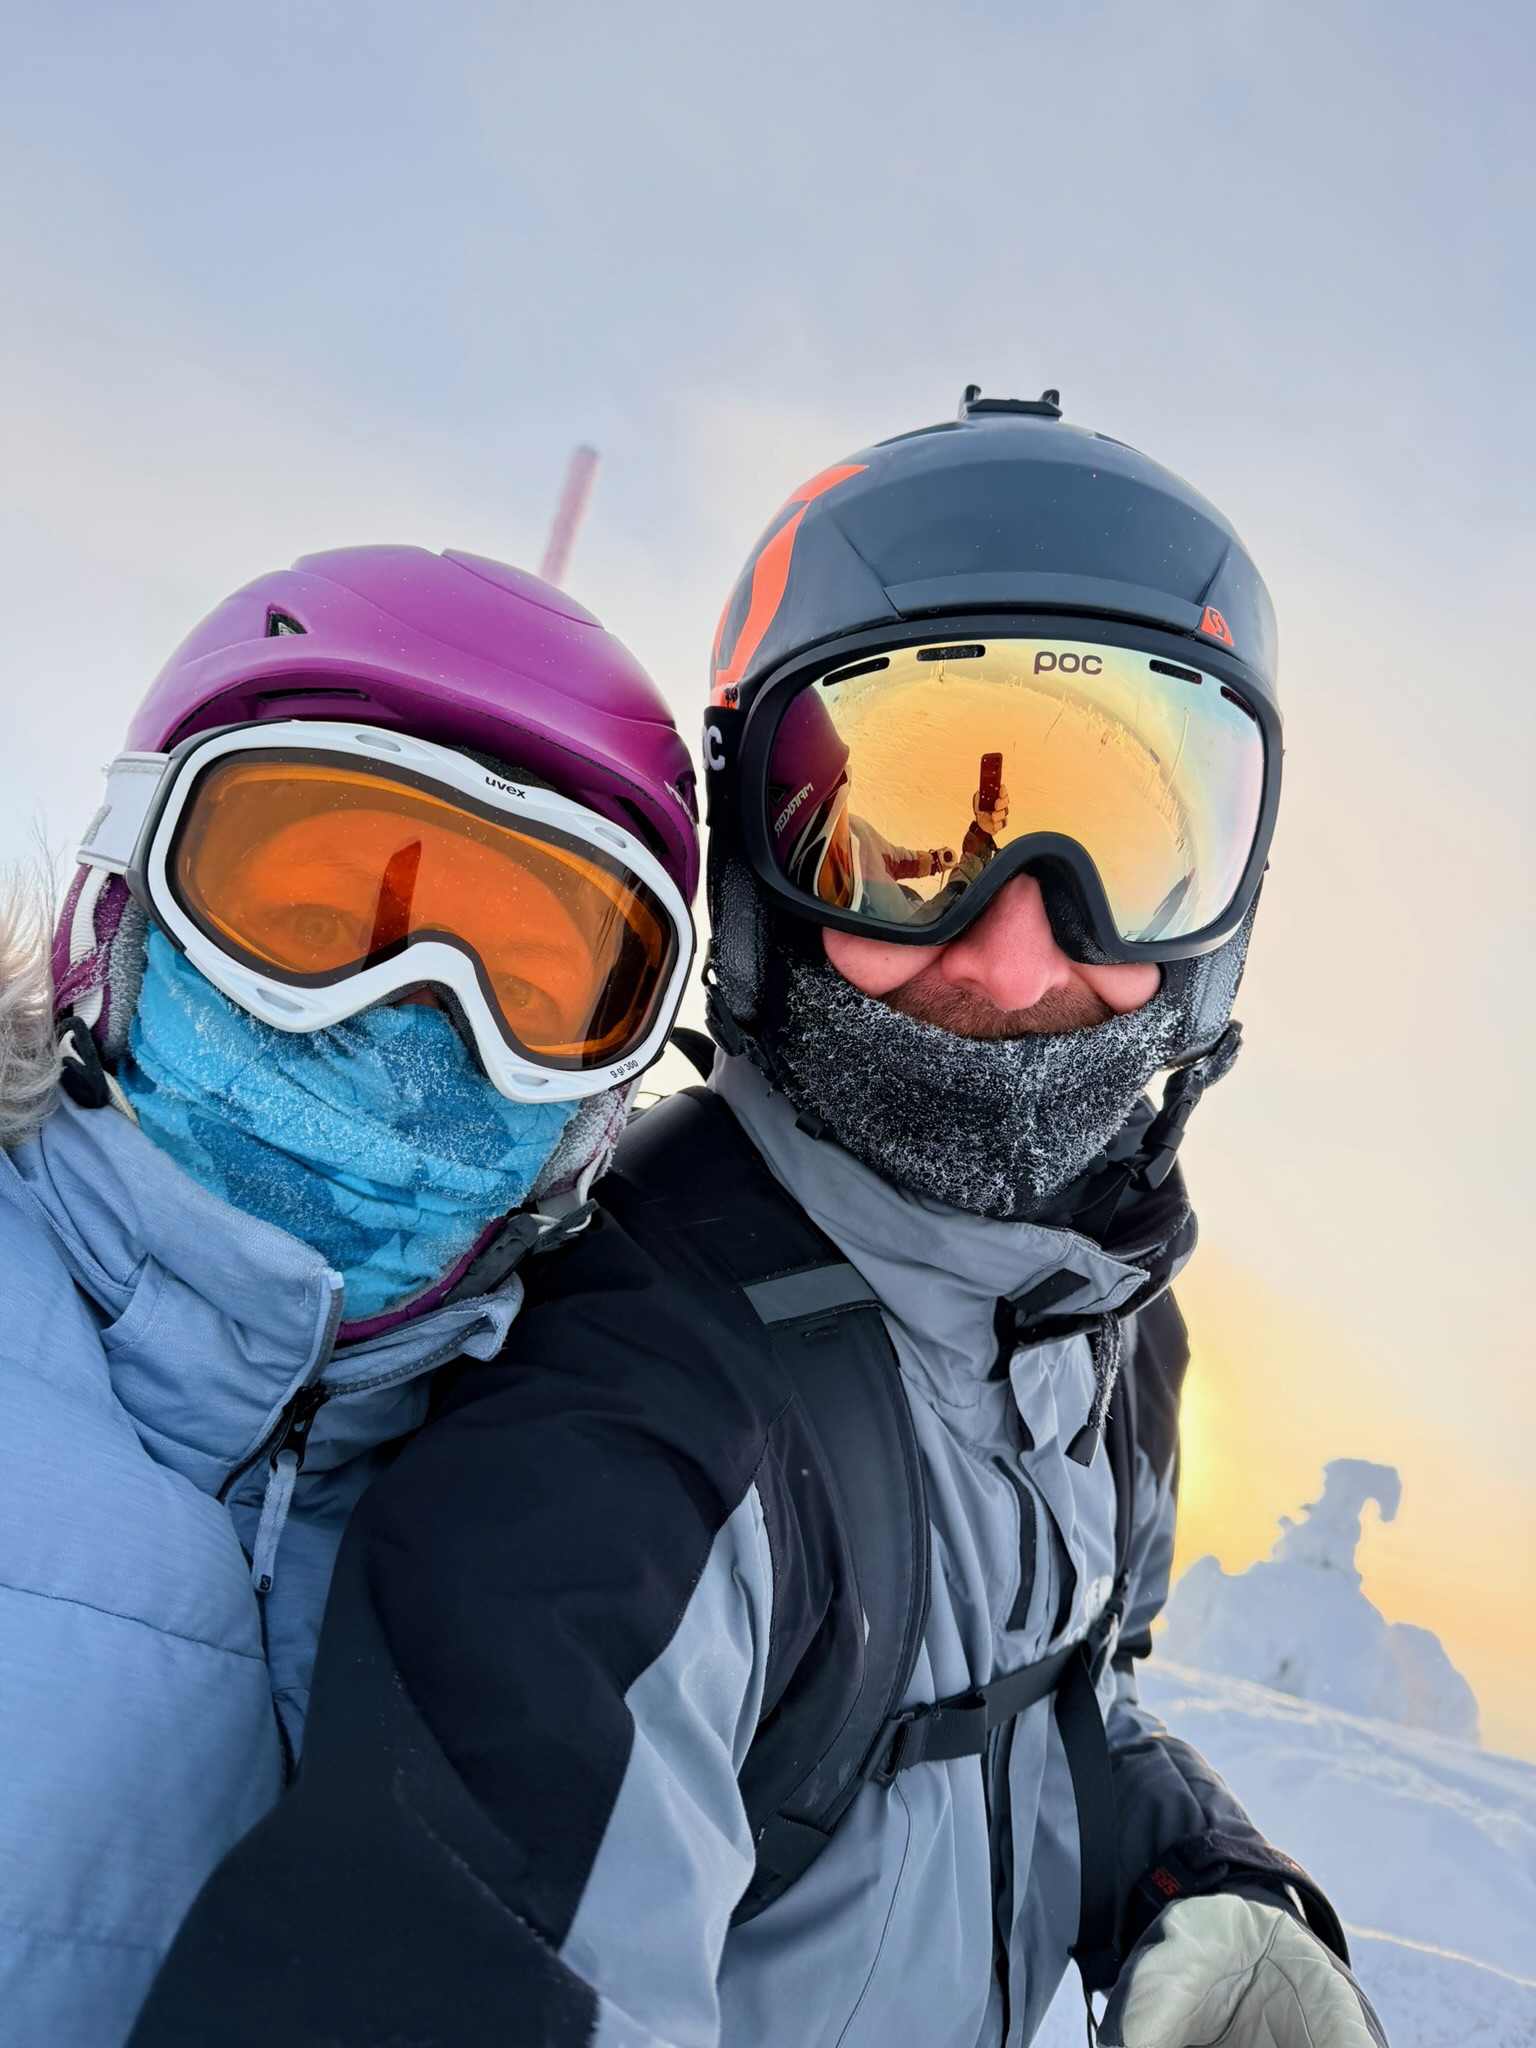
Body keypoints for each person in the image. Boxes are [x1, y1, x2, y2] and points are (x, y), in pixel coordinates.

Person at [129, 398, 1387, 2048]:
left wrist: (1201, 1880)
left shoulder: (1116, 1328)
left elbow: (1068, 1696)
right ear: (762, 878)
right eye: (911, 850)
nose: (1018, 960)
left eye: (1132, 855)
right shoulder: (637, 1409)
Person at [0, 545, 698, 2048]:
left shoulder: (561, 1516)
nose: (407, 1028)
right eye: (317, 913)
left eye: (530, 982)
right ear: (121, 898)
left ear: (604, 1092)